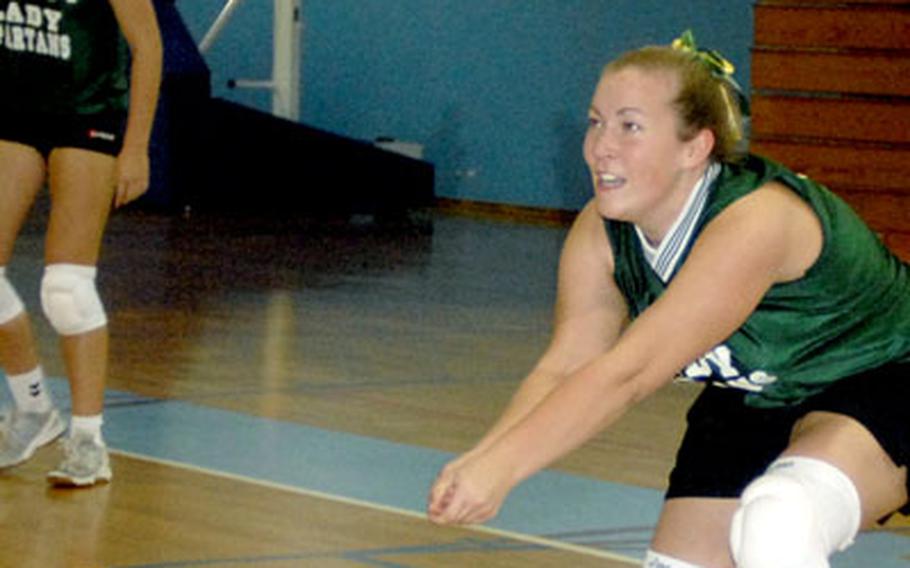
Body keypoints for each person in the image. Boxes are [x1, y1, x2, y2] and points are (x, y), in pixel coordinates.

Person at [427, 31, 910, 568]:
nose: (600, 146)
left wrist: (507, 467)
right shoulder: (600, 232)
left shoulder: (755, 221)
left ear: (696, 147)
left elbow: (629, 374)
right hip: (755, 393)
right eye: (595, 122)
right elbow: (566, 366)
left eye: (630, 126)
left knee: (780, 519)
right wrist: (485, 455)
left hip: (885, 373)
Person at [0, 0, 162, 486]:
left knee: (66, 288)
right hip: (13, 113)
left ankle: (88, 439)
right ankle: (33, 409)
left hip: (87, 117)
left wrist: (136, 148)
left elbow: (148, 47)